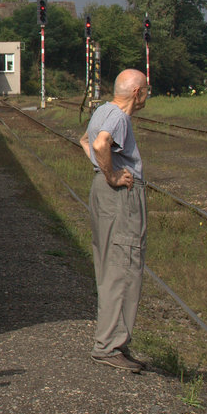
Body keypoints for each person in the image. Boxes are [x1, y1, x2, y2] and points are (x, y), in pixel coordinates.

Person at [80, 68, 149, 372]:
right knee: (124, 267)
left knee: (110, 265)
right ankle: (109, 346)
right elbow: (98, 144)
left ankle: (111, 343)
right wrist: (112, 175)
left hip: (103, 195)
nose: (148, 93)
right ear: (137, 92)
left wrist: (100, 171)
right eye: (147, 88)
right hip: (118, 198)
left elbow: (85, 140)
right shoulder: (119, 117)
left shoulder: (103, 110)